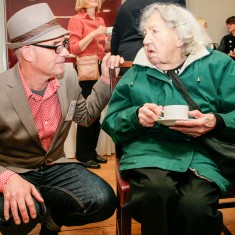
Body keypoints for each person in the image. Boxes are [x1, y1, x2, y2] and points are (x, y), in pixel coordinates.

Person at [102, 3, 235, 235]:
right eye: (144, 34)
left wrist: (215, 121)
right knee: (157, 193)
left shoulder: (219, 65)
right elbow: (112, 120)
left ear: (180, 36)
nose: (145, 41)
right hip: (149, 153)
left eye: (154, 31)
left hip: (203, 153)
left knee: (195, 208)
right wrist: (136, 117)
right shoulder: (136, 73)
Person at [0, 3, 123, 235]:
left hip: (54, 165)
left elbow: (85, 117)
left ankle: (53, 220)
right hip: (15, 169)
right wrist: (6, 178)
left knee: (103, 200)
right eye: (56, 47)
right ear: (28, 53)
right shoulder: (1, 91)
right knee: (22, 213)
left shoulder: (68, 77)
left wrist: (106, 79)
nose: (66, 52)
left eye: (64, 44)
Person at [67, 0, 110, 169]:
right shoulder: (76, 20)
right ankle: (83, 154)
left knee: (97, 113)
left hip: (99, 67)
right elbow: (74, 48)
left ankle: (91, 151)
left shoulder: (100, 20)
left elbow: (103, 47)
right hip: (86, 68)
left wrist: (107, 42)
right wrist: (94, 34)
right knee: (86, 112)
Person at [111, 0, 186, 62]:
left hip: (125, 60)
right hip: (159, 61)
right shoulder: (171, 2)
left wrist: (114, 59)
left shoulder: (125, 6)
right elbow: (183, 28)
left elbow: (115, 38)